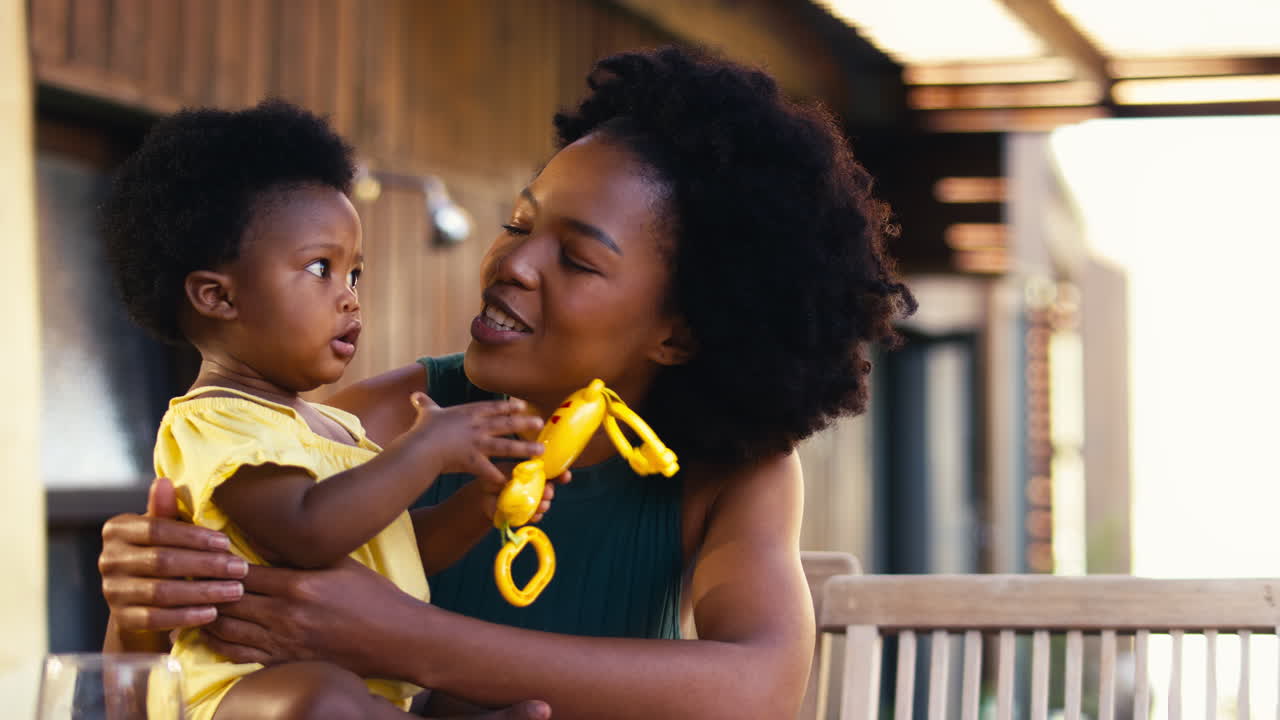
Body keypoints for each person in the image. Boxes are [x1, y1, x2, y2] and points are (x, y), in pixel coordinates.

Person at [98, 46, 916, 719]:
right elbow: (160, 688)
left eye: (578, 258)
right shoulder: (369, 424)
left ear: (679, 332)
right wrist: (139, 613)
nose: (513, 264)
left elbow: (758, 690)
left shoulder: (730, 468)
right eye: (518, 224)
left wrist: (406, 638)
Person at [100, 100, 551, 719]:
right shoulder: (213, 420)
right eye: (321, 268)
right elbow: (306, 533)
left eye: (354, 275)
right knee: (322, 700)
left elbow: (395, 554)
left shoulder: (337, 426)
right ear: (217, 297)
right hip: (241, 693)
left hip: (360, 690)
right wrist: (424, 450)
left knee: (436, 695)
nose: (349, 298)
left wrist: (478, 508)